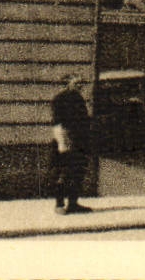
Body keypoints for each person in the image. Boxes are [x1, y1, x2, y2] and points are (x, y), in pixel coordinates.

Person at [49, 75, 93, 214]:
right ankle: (60, 204)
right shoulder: (63, 99)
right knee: (66, 170)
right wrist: (63, 142)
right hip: (67, 137)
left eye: (82, 84)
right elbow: (59, 122)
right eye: (77, 83)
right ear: (67, 84)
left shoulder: (75, 98)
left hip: (77, 138)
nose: (80, 86)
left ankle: (72, 203)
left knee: (77, 170)